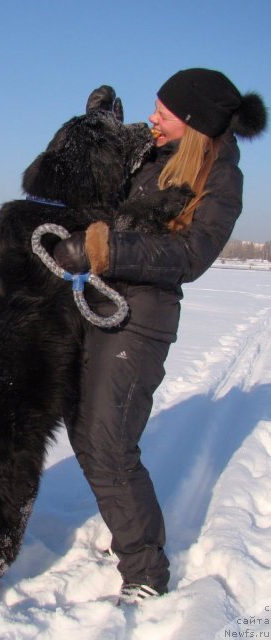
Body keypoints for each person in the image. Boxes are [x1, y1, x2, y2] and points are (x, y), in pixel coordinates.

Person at [53, 68, 267, 604]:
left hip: (141, 317)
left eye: (164, 112)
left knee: (110, 442)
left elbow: (192, 255)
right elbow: (97, 180)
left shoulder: (220, 176)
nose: (154, 118)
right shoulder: (151, 149)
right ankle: (128, 527)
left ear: (192, 122)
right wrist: (99, 126)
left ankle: (146, 570)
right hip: (96, 301)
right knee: (83, 430)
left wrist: (105, 251)